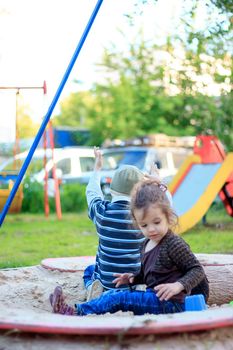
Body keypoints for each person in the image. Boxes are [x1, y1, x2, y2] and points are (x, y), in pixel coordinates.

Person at [49, 178, 209, 316]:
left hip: (172, 304)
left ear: (168, 216)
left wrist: (178, 286)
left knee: (119, 299)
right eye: (144, 225)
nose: (151, 229)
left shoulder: (173, 243)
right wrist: (133, 278)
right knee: (114, 293)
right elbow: (152, 275)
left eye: (157, 222)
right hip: (155, 297)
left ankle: (76, 312)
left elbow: (197, 270)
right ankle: (80, 309)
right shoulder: (147, 243)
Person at [83, 147, 170, 301]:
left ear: (111, 190)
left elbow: (92, 192)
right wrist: (159, 183)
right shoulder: (144, 217)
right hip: (135, 279)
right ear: (139, 194)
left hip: (109, 282)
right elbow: (166, 205)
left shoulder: (102, 212)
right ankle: (137, 288)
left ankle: (93, 287)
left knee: (89, 271)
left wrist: (97, 169)